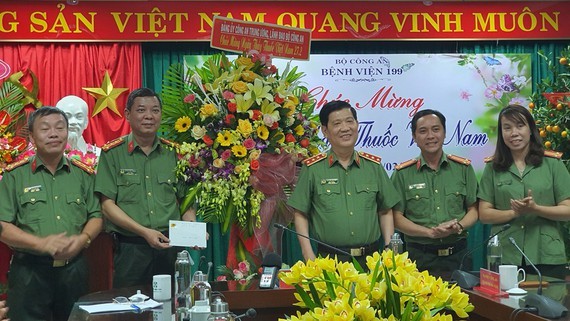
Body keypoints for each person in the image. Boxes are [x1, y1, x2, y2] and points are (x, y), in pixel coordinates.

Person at [0, 106, 102, 321]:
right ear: (32, 136)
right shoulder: (15, 176)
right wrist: (41, 244)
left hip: (74, 270)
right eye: (45, 129)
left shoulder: (83, 174)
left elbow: (96, 216)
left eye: (60, 127)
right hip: (29, 271)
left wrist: (83, 238)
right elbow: (3, 226)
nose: (54, 134)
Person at [94, 87, 200, 288]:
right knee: (130, 309)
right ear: (127, 114)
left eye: (155, 110)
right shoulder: (112, 154)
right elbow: (107, 205)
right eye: (141, 110)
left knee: (173, 306)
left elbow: (186, 201)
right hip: (130, 249)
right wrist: (144, 232)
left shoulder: (175, 153)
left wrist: (192, 229)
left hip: (171, 247)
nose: (149, 116)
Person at [287, 100, 399, 269]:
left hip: (371, 262)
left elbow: (385, 211)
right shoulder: (313, 169)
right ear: (325, 130)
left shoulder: (374, 167)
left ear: (357, 125)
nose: (345, 128)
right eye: (337, 123)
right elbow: (300, 213)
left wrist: (389, 250)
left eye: (349, 121)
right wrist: (308, 254)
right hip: (330, 262)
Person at [478, 104, 570, 279]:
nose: (514, 133)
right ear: (501, 133)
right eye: (507, 128)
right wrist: (514, 212)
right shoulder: (493, 167)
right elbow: (484, 214)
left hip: (547, 256)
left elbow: (567, 210)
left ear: (530, 129)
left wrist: (536, 209)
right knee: (505, 307)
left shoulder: (552, 164)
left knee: (551, 304)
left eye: (520, 126)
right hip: (504, 256)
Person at [390, 109, 478, 278]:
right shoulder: (402, 173)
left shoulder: (463, 169)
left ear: (444, 134)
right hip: (418, 257)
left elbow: (474, 209)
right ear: (414, 138)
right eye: (423, 131)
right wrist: (428, 233)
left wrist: (458, 227)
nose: (430, 136)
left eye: (436, 129)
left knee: (462, 304)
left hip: (458, 256)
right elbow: (396, 217)